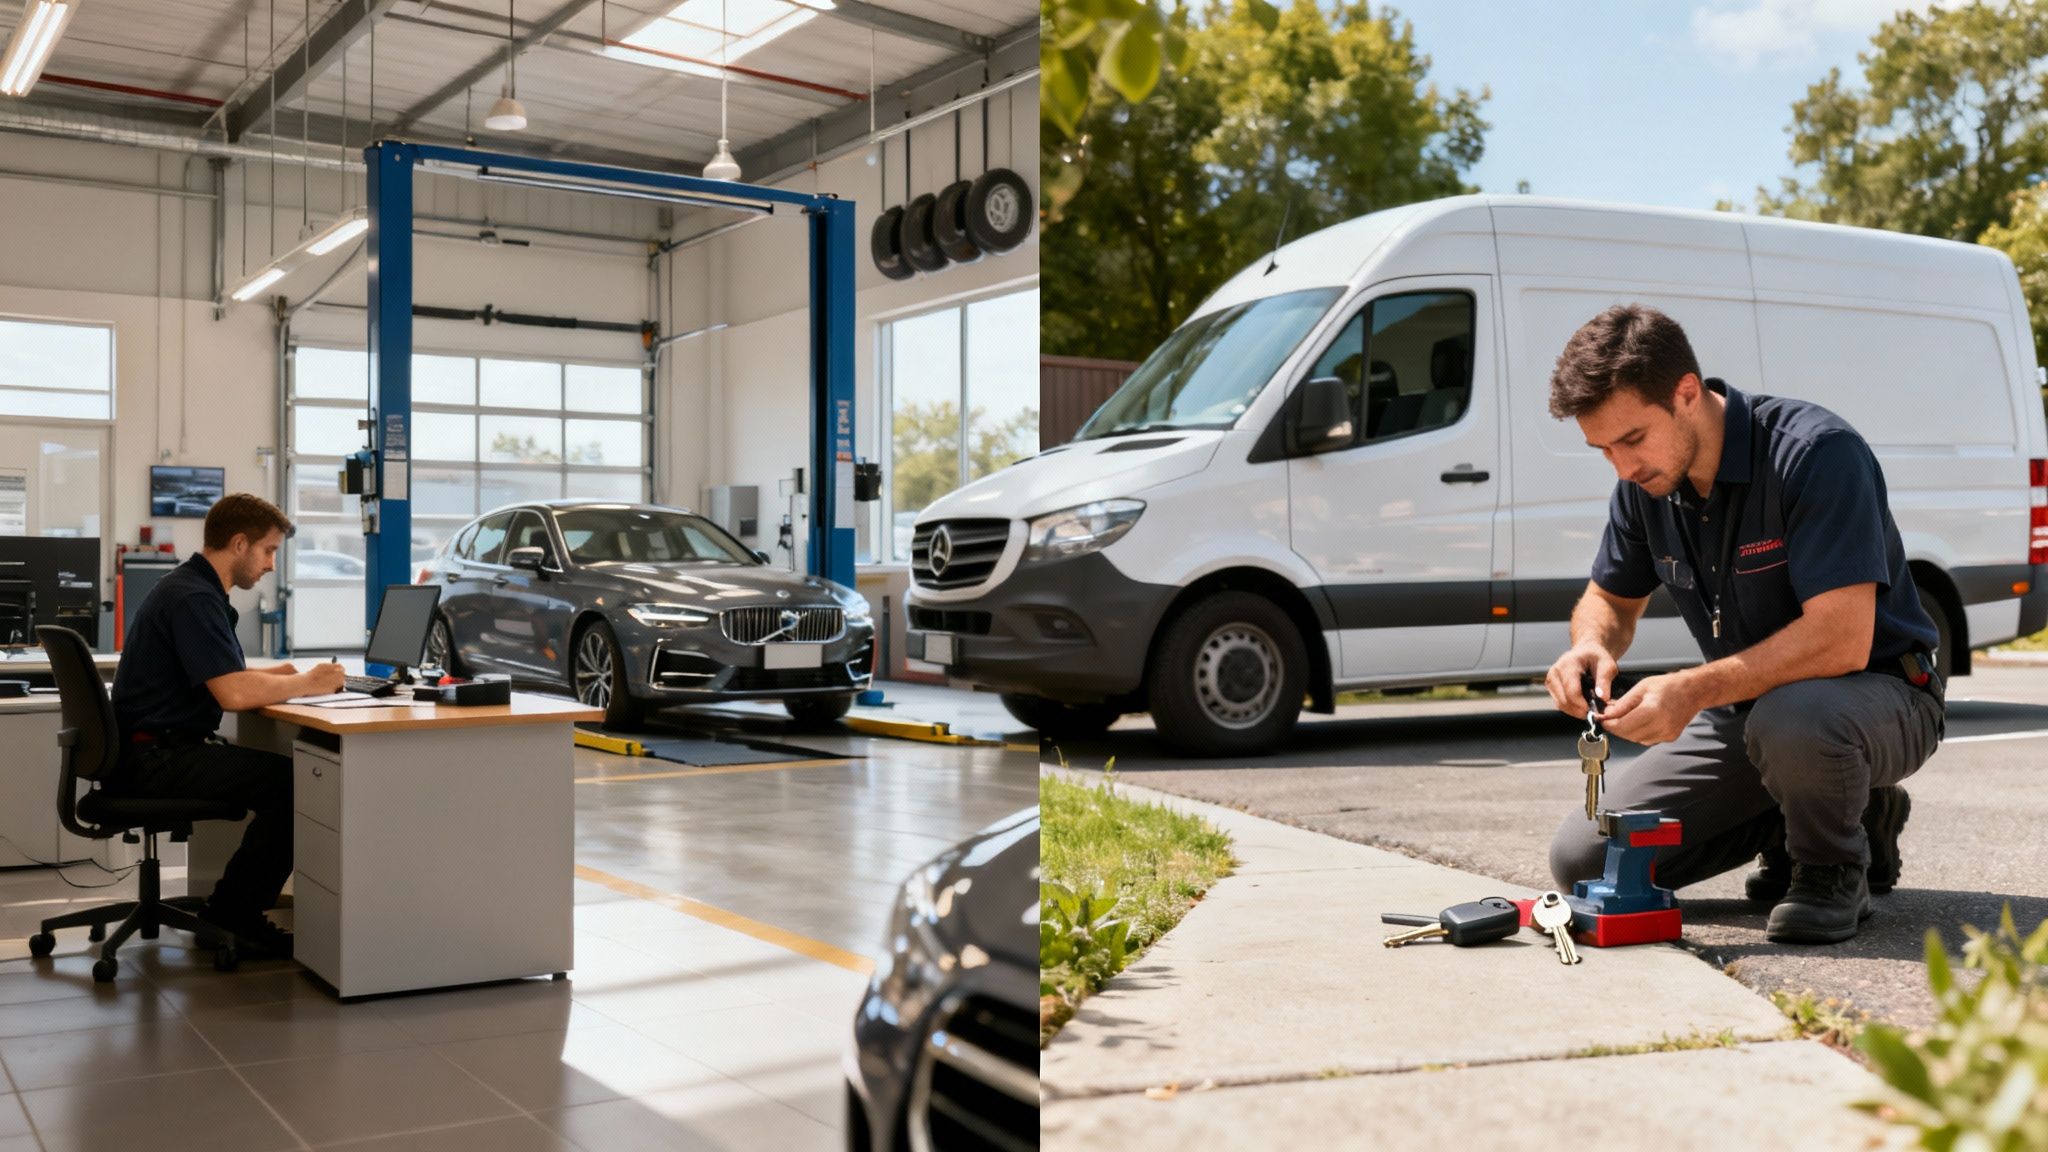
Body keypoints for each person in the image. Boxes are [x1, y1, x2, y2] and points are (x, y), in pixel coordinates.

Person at [1543, 304, 1944, 945]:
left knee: (1798, 720)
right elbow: (1609, 600)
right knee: (1585, 861)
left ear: (1686, 393)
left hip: (1883, 695)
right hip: (1750, 715)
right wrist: (1589, 644)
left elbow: (1843, 639)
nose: (1621, 467)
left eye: (1633, 439)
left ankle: (1830, 867)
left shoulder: (1815, 454)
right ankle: (1846, 808)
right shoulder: (1645, 487)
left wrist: (1694, 689)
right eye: (1603, 450)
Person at [109, 493, 345, 957]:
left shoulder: (187, 587)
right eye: (269, 551)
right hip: (158, 757)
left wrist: (294, 676)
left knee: (276, 776)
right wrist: (309, 685)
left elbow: (226, 676)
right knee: (295, 785)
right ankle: (233, 916)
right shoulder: (194, 599)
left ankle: (230, 908)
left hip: (148, 750)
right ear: (240, 544)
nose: (272, 564)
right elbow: (233, 695)